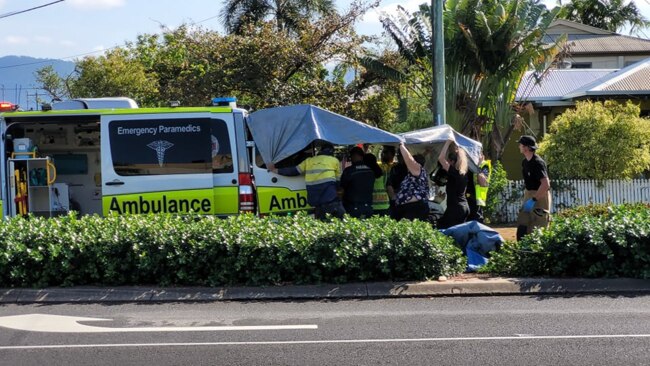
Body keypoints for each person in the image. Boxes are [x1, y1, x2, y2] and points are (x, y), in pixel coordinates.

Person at [269, 142, 345, 220]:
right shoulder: (334, 160)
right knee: (342, 218)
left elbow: (293, 171)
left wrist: (275, 170)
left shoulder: (308, 161)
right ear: (331, 152)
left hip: (316, 201)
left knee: (322, 222)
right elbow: (338, 180)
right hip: (330, 200)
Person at [516, 135, 551, 240]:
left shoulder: (538, 163)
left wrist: (534, 199)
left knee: (539, 226)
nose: (519, 146)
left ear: (526, 148)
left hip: (540, 195)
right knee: (523, 225)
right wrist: (528, 198)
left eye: (520, 145)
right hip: (529, 194)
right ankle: (521, 249)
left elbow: (545, 184)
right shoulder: (525, 162)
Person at [437, 140, 470, 229]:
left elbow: (441, 158)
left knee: (442, 228)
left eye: (448, 161)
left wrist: (447, 142)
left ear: (452, 161)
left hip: (455, 208)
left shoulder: (454, 172)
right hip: (464, 207)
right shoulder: (463, 174)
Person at [393, 143, 430, 221]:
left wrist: (401, 146)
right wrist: (425, 153)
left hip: (414, 209)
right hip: (406, 208)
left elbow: (410, 160)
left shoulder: (418, 170)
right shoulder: (413, 174)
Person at [340, 146, 376, 218]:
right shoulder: (370, 171)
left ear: (353, 156)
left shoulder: (349, 171)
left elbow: (341, 189)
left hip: (352, 208)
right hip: (368, 207)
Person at [466, 153, 491, 223]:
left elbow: (482, 181)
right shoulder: (469, 164)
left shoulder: (484, 165)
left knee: (476, 219)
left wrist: (479, 166)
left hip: (477, 198)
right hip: (468, 196)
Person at [372, 145, 396, 215]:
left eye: (385, 152)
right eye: (382, 152)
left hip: (388, 199)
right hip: (383, 200)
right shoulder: (378, 165)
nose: (382, 154)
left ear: (392, 155)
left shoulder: (396, 166)